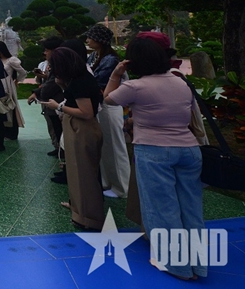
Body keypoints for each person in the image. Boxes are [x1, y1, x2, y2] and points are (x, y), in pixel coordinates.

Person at [104, 37, 206, 280]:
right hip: (189, 149)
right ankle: (198, 263)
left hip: (154, 151)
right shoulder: (182, 82)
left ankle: (176, 265)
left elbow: (108, 98)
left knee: (161, 208)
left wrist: (116, 74)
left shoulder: (136, 86)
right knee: (191, 207)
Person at [41, 47, 104, 231]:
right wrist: (61, 86)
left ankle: (88, 217)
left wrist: (58, 106)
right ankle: (79, 209)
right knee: (77, 172)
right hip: (77, 128)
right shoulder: (77, 79)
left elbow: (86, 112)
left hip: (82, 129)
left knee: (84, 174)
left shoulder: (81, 82)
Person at [27, 37, 64, 159]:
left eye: (47, 50)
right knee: (55, 129)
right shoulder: (53, 65)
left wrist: (40, 93)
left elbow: (51, 85)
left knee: (59, 130)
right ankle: (59, 150)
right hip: (52, 104)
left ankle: (63, 155)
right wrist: (37, 92)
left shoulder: (59, 66)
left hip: (57, 103)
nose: (45, 53)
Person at [0, 41, 26, 140]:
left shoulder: (11, 60)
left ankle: (12, 133)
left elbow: (23, 72)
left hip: (8, 86)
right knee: (0, 108)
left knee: (10, 108)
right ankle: (3, 132)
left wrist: (17, 80)